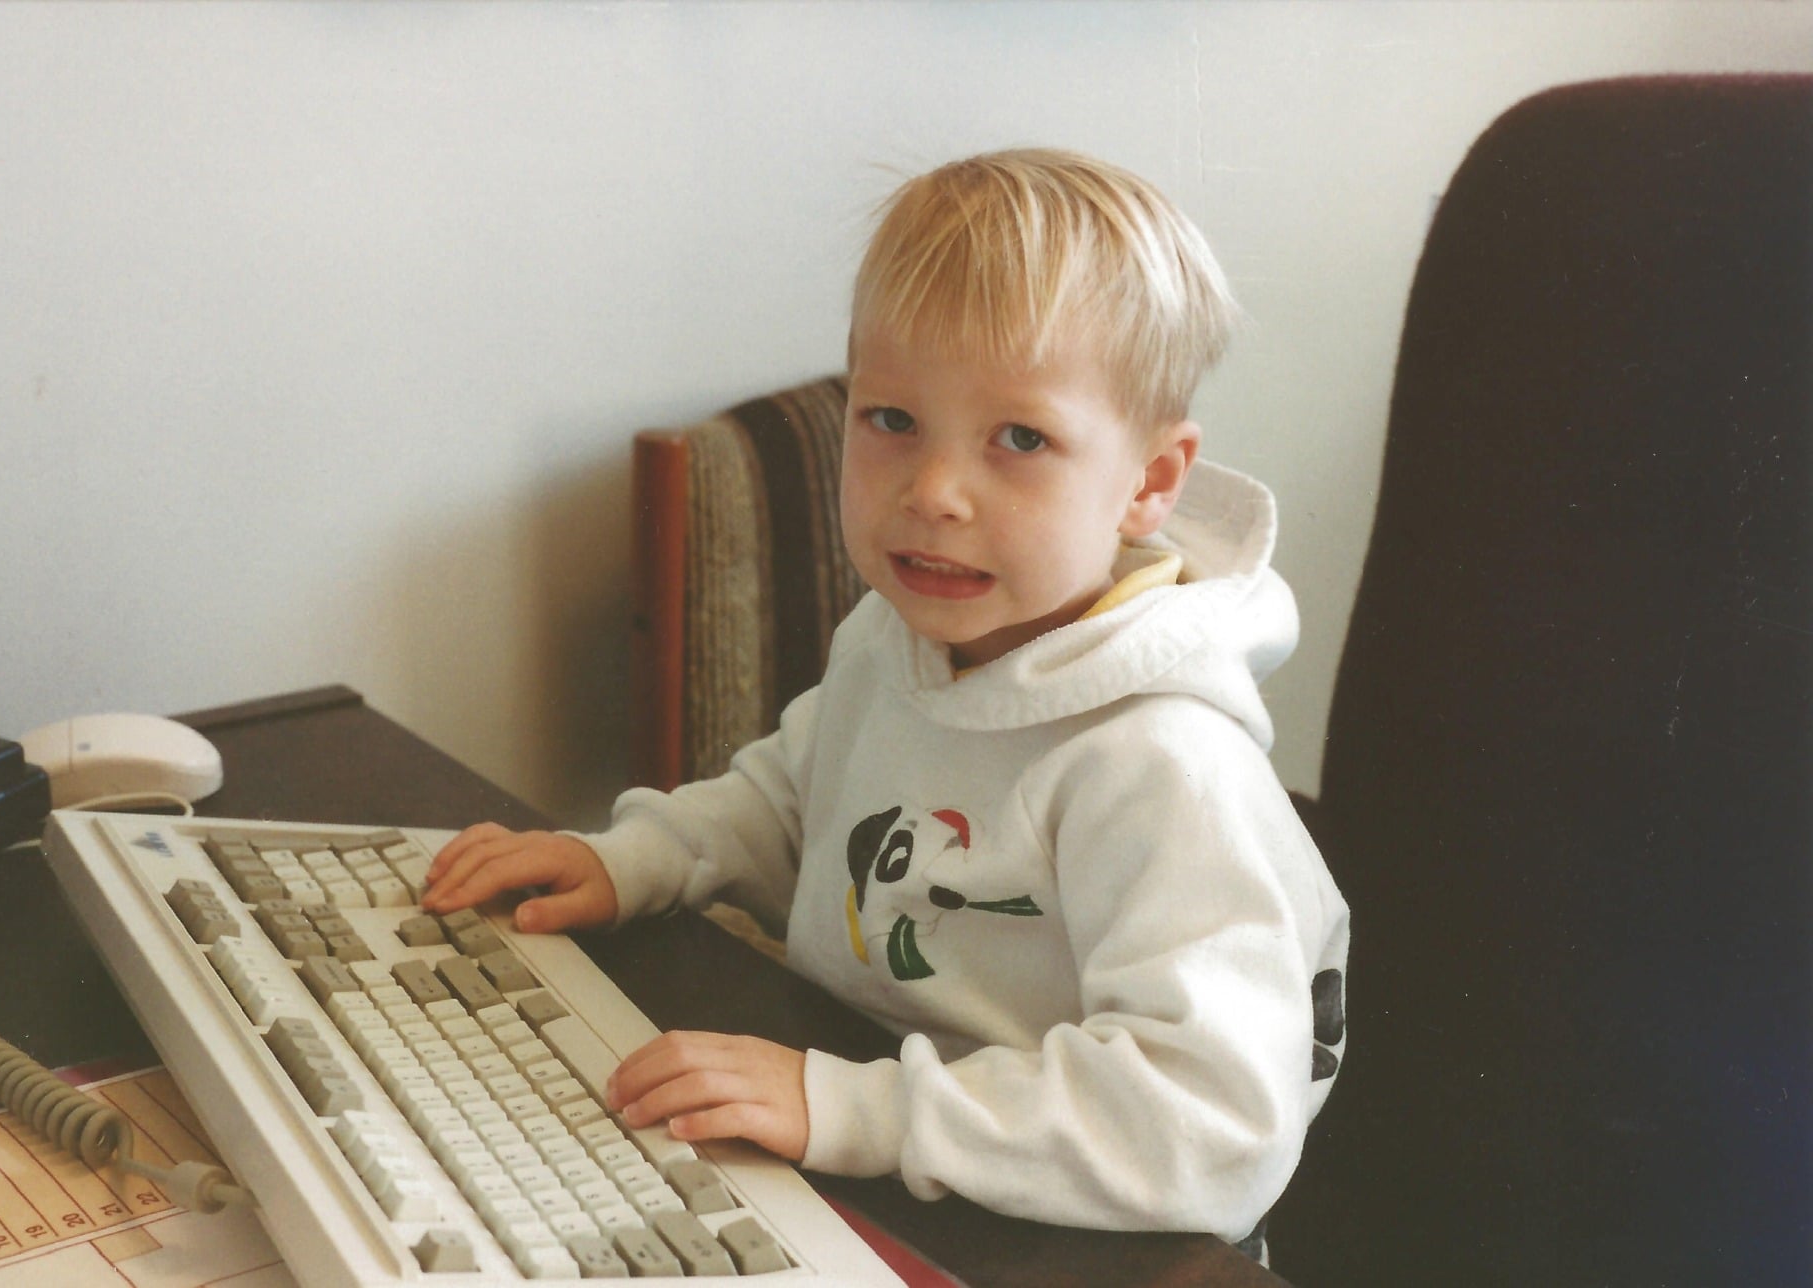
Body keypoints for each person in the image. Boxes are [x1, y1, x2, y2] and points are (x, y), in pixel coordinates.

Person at [424, 148, 1349, 1252]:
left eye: (1020, 439)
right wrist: (638, 857)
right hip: (885, 1163)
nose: (933, 493)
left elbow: (1208, 1128)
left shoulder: (1166, 761)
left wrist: (855, 1109)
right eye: (892, 420)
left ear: (1150, 482)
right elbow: (795, 802)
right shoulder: (899, 636)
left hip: (1087, 1241)